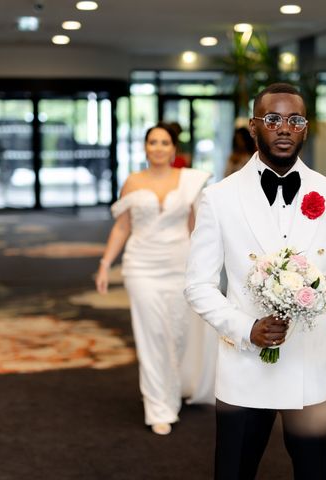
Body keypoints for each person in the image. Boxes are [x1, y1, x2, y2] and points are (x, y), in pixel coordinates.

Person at [184, 83, 326, 479]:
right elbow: (198, 285)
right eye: (272, 119)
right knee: (233, 471)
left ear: (306, 129)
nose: (283, 128)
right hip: (246, 367)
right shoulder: (219, 198)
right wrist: (246, 328)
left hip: (312, 366)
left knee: (316, 473)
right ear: (254, 128)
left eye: (295, 120)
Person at [95, 122, 211, 435]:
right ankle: (159, 406)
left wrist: (205, 269)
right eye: (152, 142)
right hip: (141, 267)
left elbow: (195, 228)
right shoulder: (133, 181)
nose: (158, 148)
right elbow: (122, 227)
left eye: (164, 142)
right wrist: (106, 264)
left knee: (176, 334)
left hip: (179, 265)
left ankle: (176, 386)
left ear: (174, 149)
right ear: (145, 147)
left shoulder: (189, 181)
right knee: (152, 335)